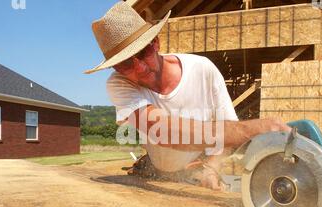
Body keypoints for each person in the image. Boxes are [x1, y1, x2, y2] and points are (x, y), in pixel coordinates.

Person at [85, 2, 291, 190]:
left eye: (142, 52)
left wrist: (211, 168)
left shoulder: (203, 69)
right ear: (115, 68)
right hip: (155, 169)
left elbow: (225, 126)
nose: (138, 67)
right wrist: (251, 130)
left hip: (196, 166)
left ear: (155, 43)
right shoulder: (119, 83)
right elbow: (161, 131)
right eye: (125, 63)